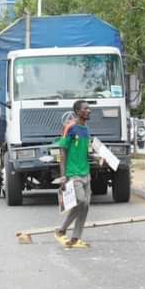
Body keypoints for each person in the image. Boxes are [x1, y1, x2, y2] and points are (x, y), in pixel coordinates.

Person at [55, 100, 92, 249]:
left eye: (89, 108)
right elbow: (62, 151)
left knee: (86, 205)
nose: (89, 110)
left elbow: (85, 150)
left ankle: (76, 237)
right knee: (81, 201)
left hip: (86, 173)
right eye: (85, 109)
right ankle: (62, 228)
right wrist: (63, 176)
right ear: (77, 111)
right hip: (73, 172)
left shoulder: (86, 129)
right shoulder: (70, 127)